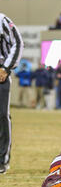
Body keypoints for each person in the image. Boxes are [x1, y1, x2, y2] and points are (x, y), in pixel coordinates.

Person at [0, 13, 24, 174]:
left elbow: (18, 42)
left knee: (2, 115)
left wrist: (6, 68)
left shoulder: (1, 20)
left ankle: (2, 160)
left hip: (0, 74)